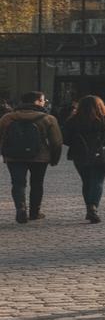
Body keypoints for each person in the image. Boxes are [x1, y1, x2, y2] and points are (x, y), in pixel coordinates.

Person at [0, 91, 64, 224]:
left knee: (18, 183)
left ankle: (21, 209)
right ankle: (35, 212)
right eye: (42, 100)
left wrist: (4, 152)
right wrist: (54, 158)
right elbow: (56, 142)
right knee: (37, 183)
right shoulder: (48, 118)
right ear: (36, 101)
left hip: (14, 156)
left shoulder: (7, 117)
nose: (44, 102)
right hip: (40, 157)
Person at [62, 95, 105, 223]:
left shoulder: (73, 121)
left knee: (86, 181)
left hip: (80, 155)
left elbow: (65, 139)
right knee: (97, 181)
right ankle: (93, 207)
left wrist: (77, 144)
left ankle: (89, 207)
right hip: (101, 154)